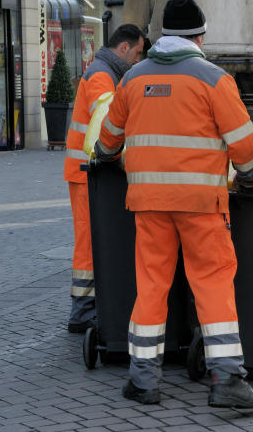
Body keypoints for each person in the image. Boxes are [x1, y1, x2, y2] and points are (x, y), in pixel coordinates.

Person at [96, 0, 253, 409]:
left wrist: (106, 154)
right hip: (201, 205)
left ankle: (143, 380)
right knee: (212, 284)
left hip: (148, 202)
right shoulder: (213, 79)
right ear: (200, 35)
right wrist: (251, 177)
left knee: (152, 285)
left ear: (160, 37)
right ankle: (226, 380)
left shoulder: (133, 79)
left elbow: (107, 140)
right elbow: (244, 145)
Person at [63, 24, 146, 333]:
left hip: (89, 171)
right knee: (88, 242)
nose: (138, 60)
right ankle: (82, 312)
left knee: (91, 239)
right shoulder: (101, 75)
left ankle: (89, 307)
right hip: (87, 172)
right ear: (123, 48)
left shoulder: (106, 72)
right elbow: (108, 119)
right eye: (137, 53)